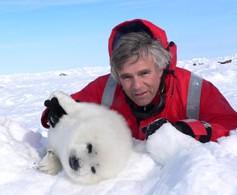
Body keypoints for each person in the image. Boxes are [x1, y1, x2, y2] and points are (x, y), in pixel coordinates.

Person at [41, 19, 237, 142]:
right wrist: (54, 112)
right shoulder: (105, 87)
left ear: (161, 68)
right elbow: (71, 104)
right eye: (126, 77)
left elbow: (230, 125)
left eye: (144, 73)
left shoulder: (194, 89)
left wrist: (187, 130)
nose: (136, 86)